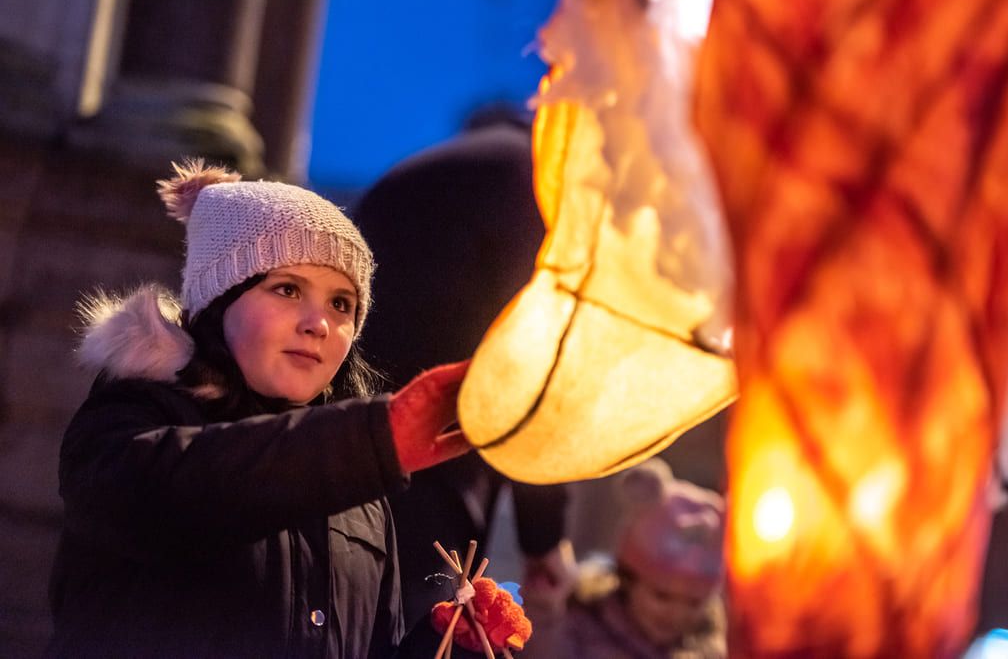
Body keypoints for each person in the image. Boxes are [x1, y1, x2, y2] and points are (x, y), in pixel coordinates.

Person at [46, 160, 471, 658]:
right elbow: (166, 495)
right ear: (217, 298)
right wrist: (368, 442)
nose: (319, 324)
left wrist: (446, 643)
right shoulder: (134, 416)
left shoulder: (361, 488)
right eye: (287, 289)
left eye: (342, 304)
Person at [353, 108, 572, 628]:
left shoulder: (457, 166)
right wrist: (543, 536)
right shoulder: (541, 184)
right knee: (413, 631)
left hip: (342, 433)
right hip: (425, 460)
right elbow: (534, 369)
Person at [520, 458, 726, 659]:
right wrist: (544, 611)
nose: (677, 613)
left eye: (694, 602)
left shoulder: (710, 649)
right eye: (661, 596)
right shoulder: (576, 627)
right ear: (628, 579)